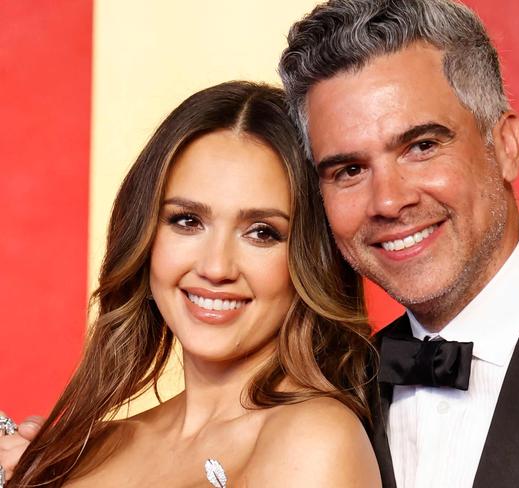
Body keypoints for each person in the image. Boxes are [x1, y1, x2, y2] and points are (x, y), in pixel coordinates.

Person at [278, 0, 519, 487]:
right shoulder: (329, 392)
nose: (388, 201)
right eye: (349, 170)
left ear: (505, 147)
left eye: (422, 146)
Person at [1, 81, 380, 487]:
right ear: (145, 236)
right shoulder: (93, 447)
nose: (216, 267)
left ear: (311, 257)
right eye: (187, 221)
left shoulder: (314, 440)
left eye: (262, 232)